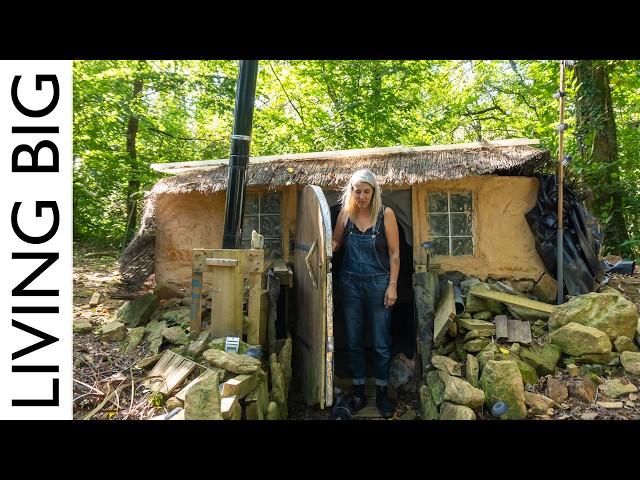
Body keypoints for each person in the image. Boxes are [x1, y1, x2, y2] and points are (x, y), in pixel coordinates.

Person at [332, 169, 400, 418]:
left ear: (374, 192)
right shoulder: (346, 213)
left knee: (381, 342)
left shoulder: (386, 215)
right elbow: (336, 243)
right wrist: (325, 245)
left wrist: (392, 285)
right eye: (357, 191)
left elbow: (394, 254)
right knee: (354, 340)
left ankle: (381, 392)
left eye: (366, 191)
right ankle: (359, 391)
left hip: (379, 284)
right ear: (351, 191)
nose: (361, 196)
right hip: (350, 284)